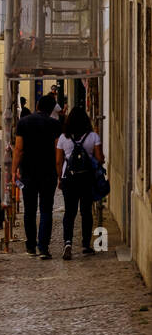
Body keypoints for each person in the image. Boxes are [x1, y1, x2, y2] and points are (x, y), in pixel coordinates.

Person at [12, 93, 63, 259]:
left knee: (30, 211)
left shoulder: (24, 122)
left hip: (28, 172)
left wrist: (14, 171)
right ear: (50, 110)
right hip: (48, 173)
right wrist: (59, 174)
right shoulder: (55, 124)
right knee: (46, 210)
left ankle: (31, 246)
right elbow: (58, 152)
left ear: (37, 106)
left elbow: (18, 149)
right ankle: (43, 248)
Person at [55, 107, 103, 261]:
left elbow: (58, 161)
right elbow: (99, 158)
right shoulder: (93, 136)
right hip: (87, 178)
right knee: (86, 211)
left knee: (69, 212)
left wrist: (59, 178)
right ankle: (85, 245)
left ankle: (68, 242)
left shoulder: (63, 137)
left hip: (69, 178)